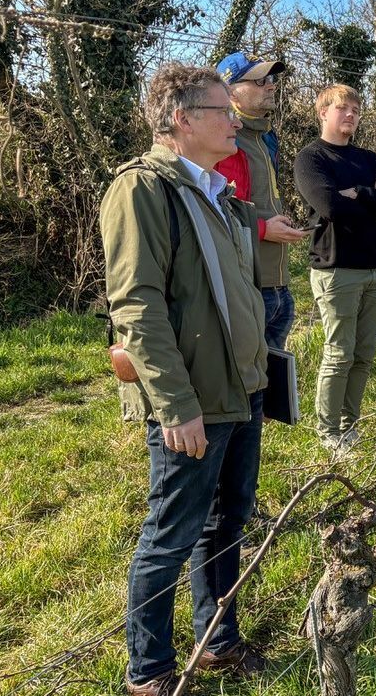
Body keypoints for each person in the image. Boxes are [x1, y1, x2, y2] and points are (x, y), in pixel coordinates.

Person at [100, 63, 270, 695]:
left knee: (226, 520)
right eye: (223, 110)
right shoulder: (143, 189)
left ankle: (217, 642)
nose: (235, 121)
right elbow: (137, 305)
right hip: (194, 399)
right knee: (170, 533)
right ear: (182, 119)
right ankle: (149, 674)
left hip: (239, 390)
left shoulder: (214, 191)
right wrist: (175, 406)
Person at [294, 84, 376, 452]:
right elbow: (329, 205)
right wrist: (373, 195)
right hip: (336, 269)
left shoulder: (367, 157)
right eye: (343, 108)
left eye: (356, 110)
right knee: (339, 353)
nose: (351, 115)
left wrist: (361, 192)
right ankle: (328, 433)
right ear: (323, 112)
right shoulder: (311, 159)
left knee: (364, 354)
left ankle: (349, 426)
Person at [213, 52, 309, 352]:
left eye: (271, 79)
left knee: (275, 377)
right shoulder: (223, 142)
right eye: (259, 81)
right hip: (247, 286)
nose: (271, 85)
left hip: (278, 283)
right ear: (230, 92)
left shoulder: (267, 137)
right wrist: (265, 229)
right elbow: (216, 214)